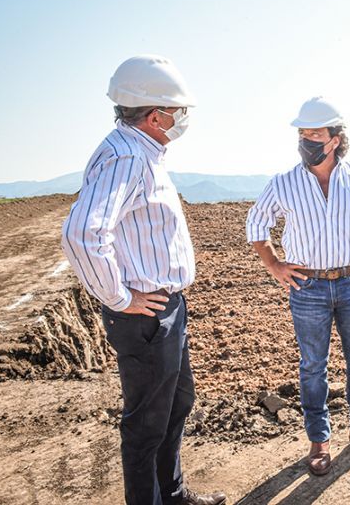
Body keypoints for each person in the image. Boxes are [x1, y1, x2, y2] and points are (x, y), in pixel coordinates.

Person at [61, 55, 225, 505]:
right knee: (147, 424)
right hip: (145, 313)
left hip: (165, 307)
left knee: (176, 404)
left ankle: (171, 493)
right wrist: (119, 297)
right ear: (155, 116)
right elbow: (82, 233)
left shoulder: (141, 151)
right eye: (177, 111)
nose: (182, 118)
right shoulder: (129, 157)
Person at [246, 97, 350, 476]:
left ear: (334, 139)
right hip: (308, 287)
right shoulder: (283, 183)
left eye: (315, 133)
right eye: (303, 133)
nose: (306, 139)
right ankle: (319, 442)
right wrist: (275, 264)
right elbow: (256, 225)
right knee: (313, 367)